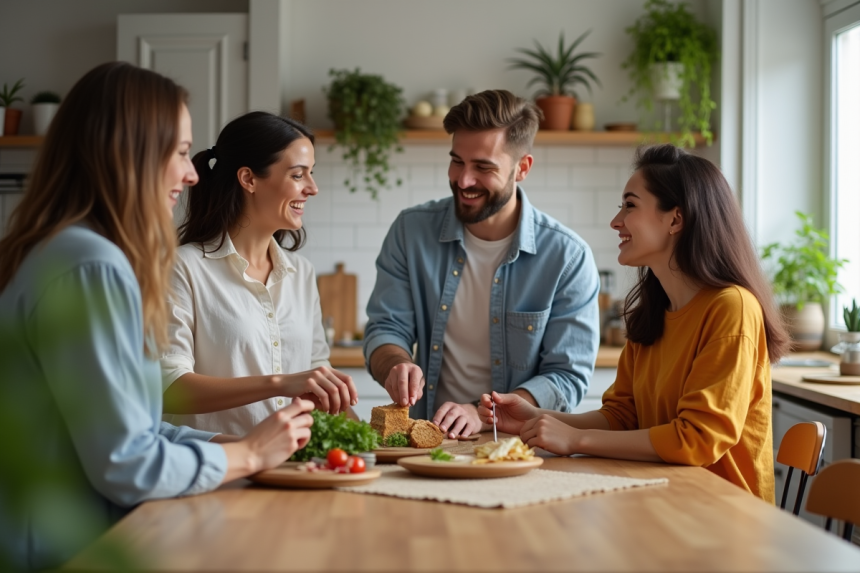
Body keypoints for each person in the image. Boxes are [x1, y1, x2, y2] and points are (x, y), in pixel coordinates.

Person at [0, 62, 314, 571]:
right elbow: (127, 464)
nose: (192, 174)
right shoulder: (90, 266)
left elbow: (137, 427)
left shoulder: (71, 252)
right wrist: (249, 456)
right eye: (182, 153)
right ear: (130, 153)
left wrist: (250, 444)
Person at [479, 144, 790, 502]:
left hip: (723, 517)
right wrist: (537, 418)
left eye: (630, 205)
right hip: (661, 500)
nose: (616, 221)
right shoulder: (653, 312)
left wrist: (575, 439)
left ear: (675, 219)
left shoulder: (732, 308)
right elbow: (624, 415)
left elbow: (697, 440)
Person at [363, 90, 600, 440]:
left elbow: (566, 377)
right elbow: (386, 327)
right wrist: (396, 363)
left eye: (483, 167)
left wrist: (481, 413)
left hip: (519, 449)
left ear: (522, 168)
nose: (464, 180)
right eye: (457, 161)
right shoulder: (410, 231)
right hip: (427, 445)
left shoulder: (567, 257)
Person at [159, 112, 358, 436]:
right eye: (298, 175)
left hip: (294, 468)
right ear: (249, 179)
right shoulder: (183, 268)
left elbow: (320, 385)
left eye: (311, 174)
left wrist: (376, 446)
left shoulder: (301, 274)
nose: (313, 188)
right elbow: (170, 388)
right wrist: (281, 383)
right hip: (217, 469)